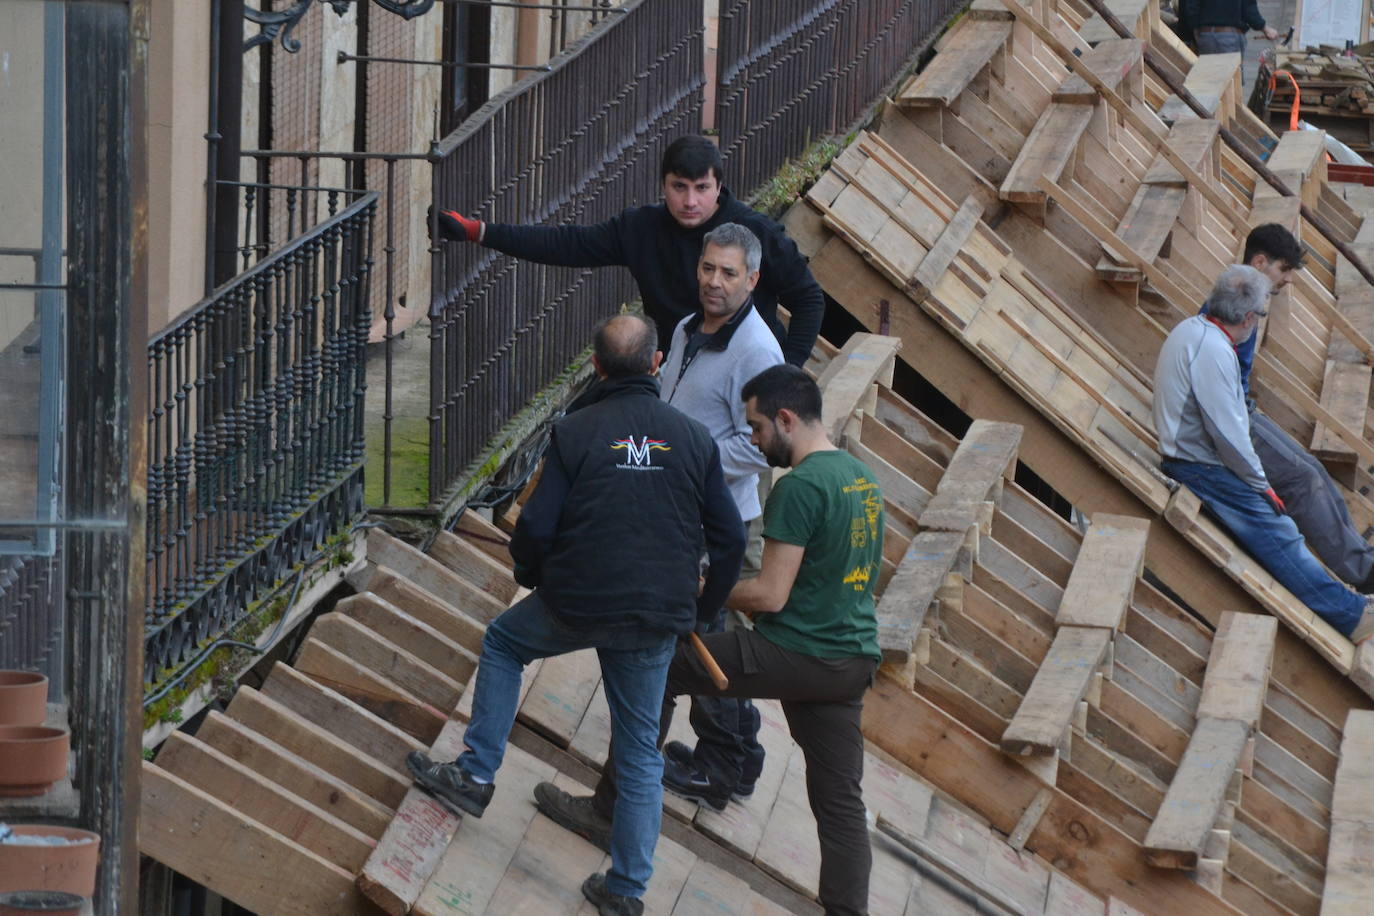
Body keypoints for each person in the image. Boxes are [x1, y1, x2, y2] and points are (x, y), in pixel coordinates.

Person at [405, 314, 746, 916]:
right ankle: (627, 890)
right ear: (658, 364)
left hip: (577, 601)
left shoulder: (577, 431)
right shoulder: (694, 440)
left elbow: (535, 526)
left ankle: (476, 775)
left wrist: (535, 578)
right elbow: (729, 540)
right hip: (656, 618)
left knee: (506, 646)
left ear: (595, 367)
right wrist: (705, 607)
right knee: (641, 750)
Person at [536, 364, 884, 916]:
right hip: (849, 663)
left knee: (662, 665)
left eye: (757, 428)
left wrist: (700, 586)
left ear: (787, 419)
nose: (754, 440)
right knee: (840, 803)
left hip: (798, 652)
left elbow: (770, 595)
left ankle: (610, 815)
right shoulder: (861, 480)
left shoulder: (799, 488)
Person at [431, 135, 826, 366]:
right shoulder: (641, 228)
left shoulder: (753, 231)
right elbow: (568, 245)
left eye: (701, 188)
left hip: (747, 375)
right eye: (679, 187)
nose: (690, 201)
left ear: (718, 187)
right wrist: (477, 231)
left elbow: (808, 297)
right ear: (663, 185)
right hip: (674, 371)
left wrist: (786, 373)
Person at [1155, 266, 1374, 643]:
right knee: (1279, 533)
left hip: (1195, 455)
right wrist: (1262, 486)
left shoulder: (1198, 331)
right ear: (1248, 317)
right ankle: (1352, 616)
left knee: (1300, 488)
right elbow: (1228, 436)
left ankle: (1354, 597)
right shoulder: (1213, 351)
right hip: (1198, 466)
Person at [655, 222, 784, 811]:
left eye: (729, 273)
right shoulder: (686, 327)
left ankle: (720, 768)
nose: (714, 281)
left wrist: (686, 463)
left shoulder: (757, 350)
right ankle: (738, 757)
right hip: (681, 514)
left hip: (721, 524)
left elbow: (757, 446)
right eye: (708, 268)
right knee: (711, 642)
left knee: (709, 648)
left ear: (752, 279)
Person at [1203, 223, 1374, 591]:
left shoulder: (1243, 299)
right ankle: (1363, 572)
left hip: (1238, 408)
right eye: (1285, 270)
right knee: (1303, 481)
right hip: (1227, 418)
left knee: (1313, 469)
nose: (1290, 280)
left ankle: (1363, 560)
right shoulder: (1237, 308)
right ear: (1261, 262)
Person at [1181, 0, 1279, 55]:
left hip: (1206, 36)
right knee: (1231, 83)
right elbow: (1249, 10)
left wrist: (1195, 31)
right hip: (1229, 38)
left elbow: (1190, 7)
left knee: (1209, 80)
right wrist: (1265, 28)